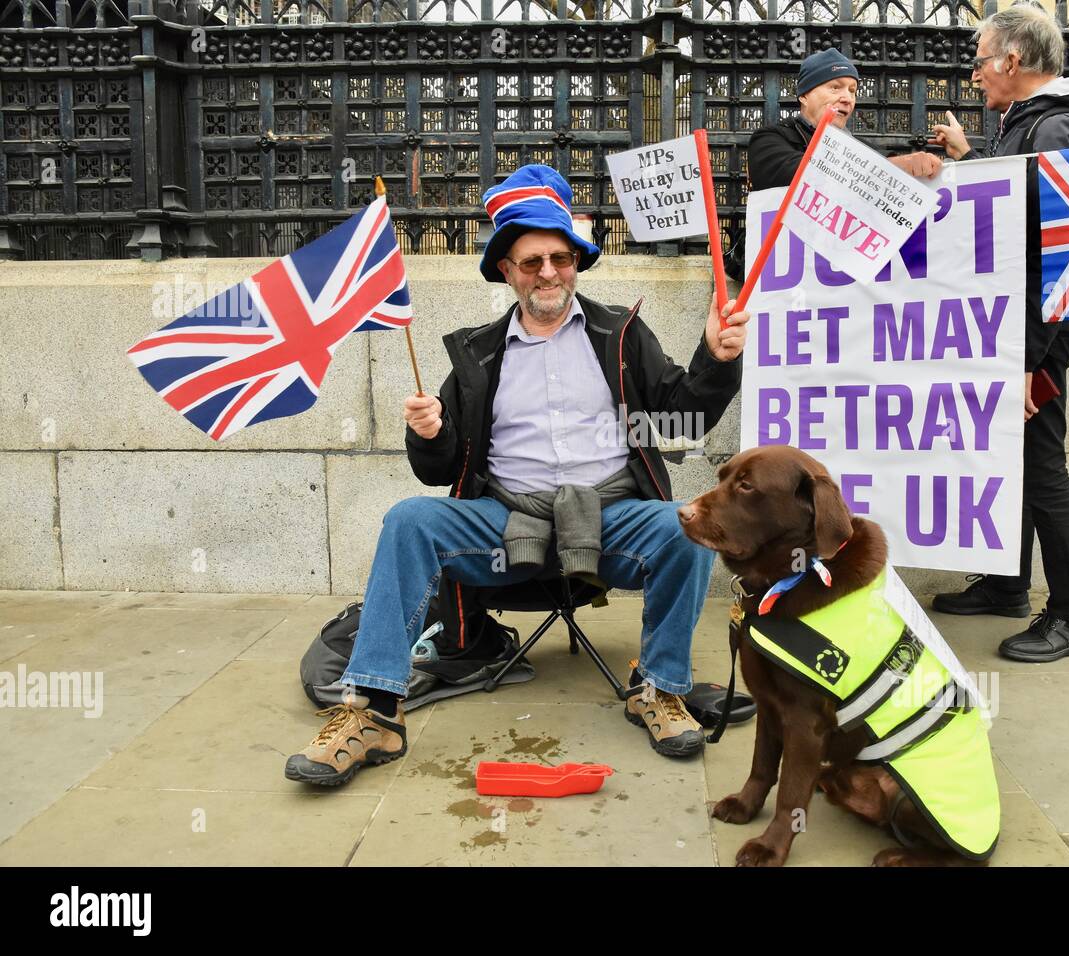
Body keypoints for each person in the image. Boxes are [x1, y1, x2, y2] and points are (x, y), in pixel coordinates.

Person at [285, 164, 751, 786]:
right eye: (532, 262)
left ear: (577, 263)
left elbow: (682, 416)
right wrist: (430, 435)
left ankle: (660, 689)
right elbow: (441, 470)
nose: (549, 273)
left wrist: (716, 358)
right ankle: (373, 710)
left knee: (685, 525)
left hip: (611, 520)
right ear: (507, 270)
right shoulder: (477, 352)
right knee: (409, 520)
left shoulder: (619, 333)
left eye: (561, 258)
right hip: (505, 524)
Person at [928, 5, 1069, 663]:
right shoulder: (1040, 127)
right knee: (1012, 462)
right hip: (1020, 337)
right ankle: (1008, 583)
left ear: (1011, 60)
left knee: (1041, 468)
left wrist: (1031, 364)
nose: (975, 73)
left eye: (980, 59)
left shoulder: (1059, 128)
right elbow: (1016, 209)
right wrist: (972, 155)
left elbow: (1056, 260)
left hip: (1034, 342)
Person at [748, 48, 944, 193]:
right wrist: (890, 168)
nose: (847, 98)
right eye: (835, 87)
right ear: (804, 96)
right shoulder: (771, 139)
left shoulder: (863, 148)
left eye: (852, 90)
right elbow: (794, 174)